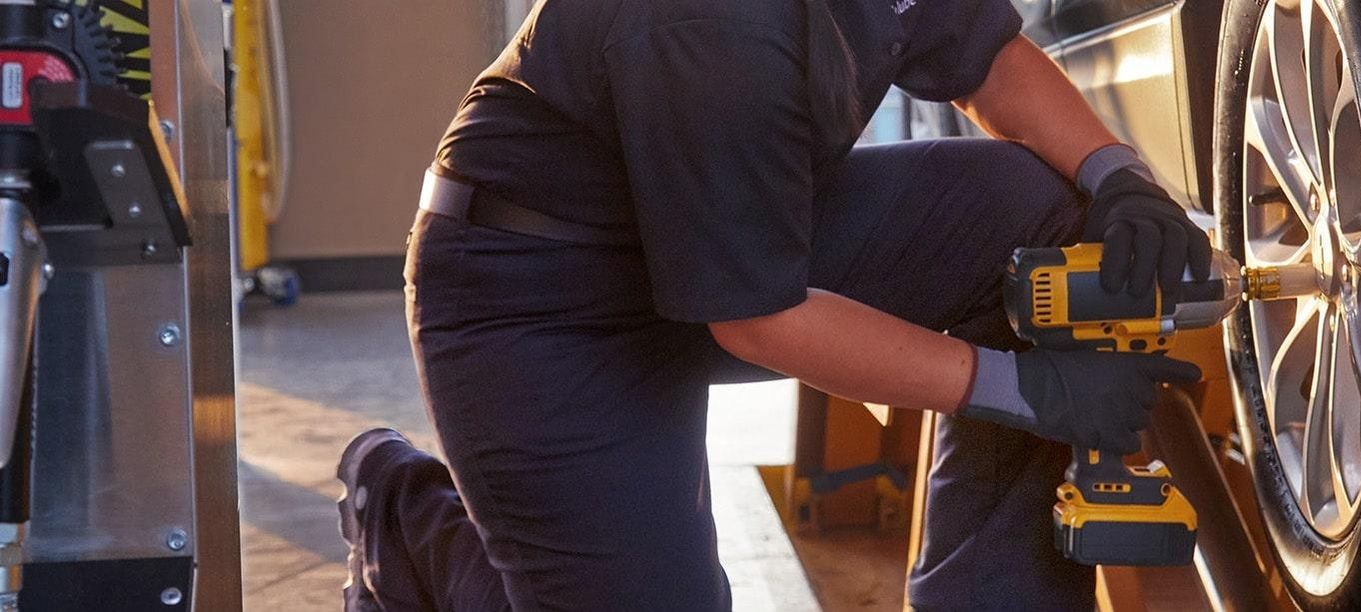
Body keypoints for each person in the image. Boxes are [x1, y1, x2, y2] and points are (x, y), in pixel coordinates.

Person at [336, 0, 1211, 609]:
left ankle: (988, 597)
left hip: (728, 227)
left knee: (1026, 212)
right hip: (536, 302)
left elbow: (986, 55)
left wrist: (1118, 177)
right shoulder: (708, 25)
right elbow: (758, 318)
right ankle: (403, 514)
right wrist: (1029, 391)